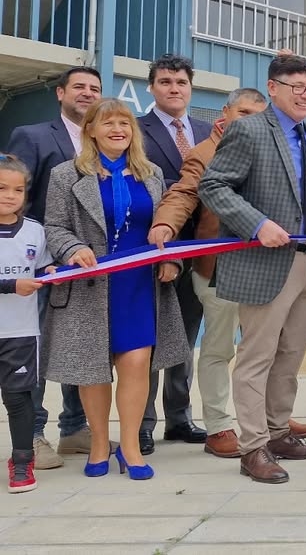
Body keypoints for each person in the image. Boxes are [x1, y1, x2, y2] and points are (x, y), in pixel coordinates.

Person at [147, 87, 306, 458]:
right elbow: (183, 194)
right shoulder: (204, 152)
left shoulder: (279, 146)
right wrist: (165, 224)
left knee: (268, 350)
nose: (251, 120)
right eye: (243, 112)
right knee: (219, 349)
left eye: (258, 113)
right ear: (225, 113)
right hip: (220, 270)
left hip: (271, 268)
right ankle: (219, 425)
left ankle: (272, 421)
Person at [199, 54, 306, 484]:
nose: (305, 95)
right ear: (273, 88)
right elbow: (213, 185)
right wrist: (257, 224)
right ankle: (253, 448)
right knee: (256, 357)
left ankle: (278, 433)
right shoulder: (248, 129)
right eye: (296, 86)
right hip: (266, 262)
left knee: (291, 354)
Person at [43, 99, 189, 481]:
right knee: (93, 370)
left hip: (139, 285)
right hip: (89, 286)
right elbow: (54, 227)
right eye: (107, 123)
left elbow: (165, 226)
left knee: (136, 364)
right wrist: (73, 248)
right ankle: (97, 445)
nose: (118, 130)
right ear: (91, 130)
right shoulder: (65, 175)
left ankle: (129, 447)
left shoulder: (152, 174)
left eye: (124, 123)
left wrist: (171, 260)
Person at [5, 66, 101, 467]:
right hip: (42, 264)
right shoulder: (33, 136)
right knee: (38, 348)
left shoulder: (104, 141)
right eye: (79, 86)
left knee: (76, 344)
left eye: (94, 88)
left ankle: (74, 429)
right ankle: (33, 434)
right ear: (60, 92)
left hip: (86, 264)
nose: (87, 93)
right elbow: (18, 196)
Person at [136, 54, 213, 455]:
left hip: (200, 248)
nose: (174, 88)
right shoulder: (135, 129)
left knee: (185, 337)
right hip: (156, 246)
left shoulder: (207, 131)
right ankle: (142, 422)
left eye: (181, 82)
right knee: (149, 339)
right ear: (151, 87)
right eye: (165, 82)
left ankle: (179, 418)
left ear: (190, 88)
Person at [0, 155, 55, 493]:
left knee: (19, 399)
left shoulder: (35, 231)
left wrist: (51, 272)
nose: (10, 195)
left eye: (17, 190)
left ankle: (21, 462)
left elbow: (43, 267)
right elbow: (15, 283)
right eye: (1, 188)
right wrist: (11, 286)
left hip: (20, 333)